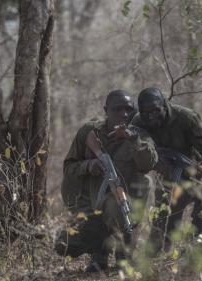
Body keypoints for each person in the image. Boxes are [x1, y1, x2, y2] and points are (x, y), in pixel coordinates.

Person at [54, 90, 158, 272]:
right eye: (117, 109)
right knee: (64, 244)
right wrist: (89, 165)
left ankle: (123, 258)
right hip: (91, 206)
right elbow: (68, 168)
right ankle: (99, 255)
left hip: (125, 206)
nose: (124, 114)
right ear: (106, 110)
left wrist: (135, 141)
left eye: (128, 109)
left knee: (115, 207)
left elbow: (148, 164)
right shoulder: (89, 132)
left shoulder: (140, 135)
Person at [132, 87, 202, 253]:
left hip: (190, 171)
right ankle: (158, 250)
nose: (150, 116)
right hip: (162, 175)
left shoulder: (186, 118)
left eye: (155, 111)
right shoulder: (137, 122)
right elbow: (133, 155)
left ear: (165, 105)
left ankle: (196, 243)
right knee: (163, 225)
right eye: (145, 112)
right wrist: (156, 164)